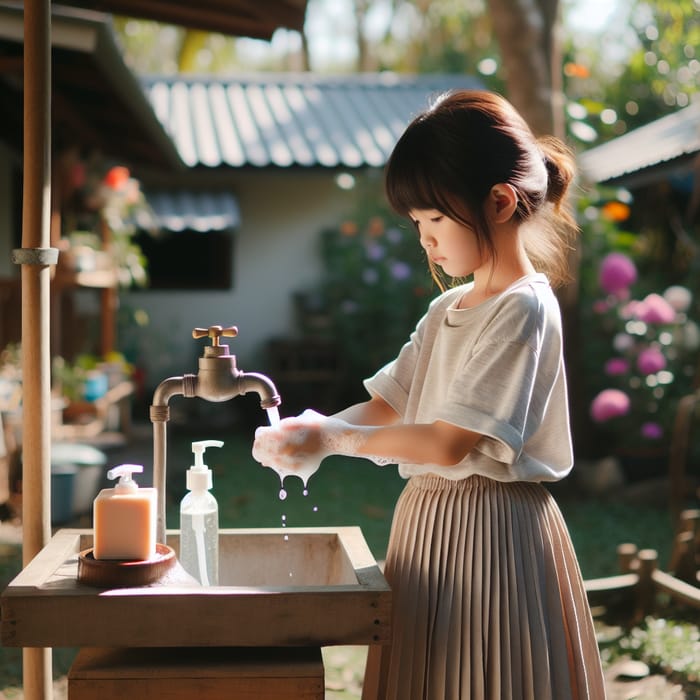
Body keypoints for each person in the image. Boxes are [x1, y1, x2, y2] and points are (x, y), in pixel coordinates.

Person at [253, 89, 606, 700]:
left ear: (498, 202)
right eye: (417, 223)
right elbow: (390, 402)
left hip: (493, 536)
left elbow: (448, 442)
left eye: (435, 219)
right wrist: (310, 432)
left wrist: (334, 438)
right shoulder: (447, 308)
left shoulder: (524, 308)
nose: (425, 239)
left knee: (486, 676)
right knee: (430, 674)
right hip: (427, 526)